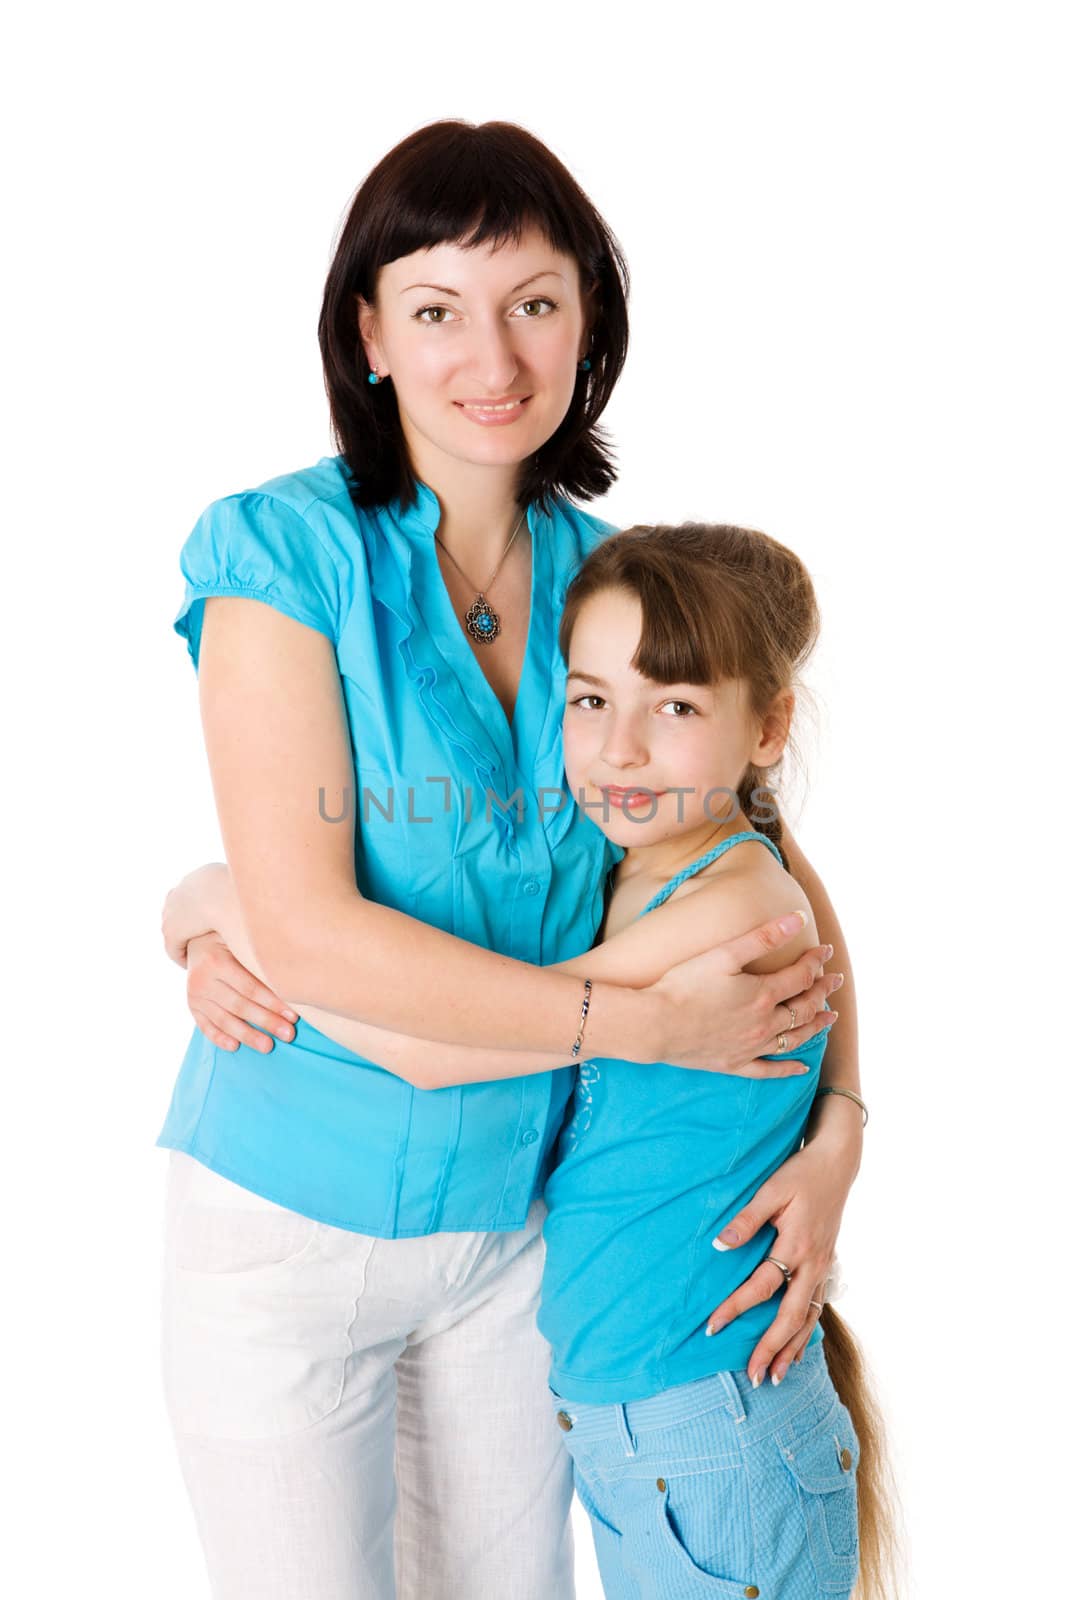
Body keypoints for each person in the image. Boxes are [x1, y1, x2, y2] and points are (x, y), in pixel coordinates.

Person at [158, 120, 863, 1598]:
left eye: (533, 302)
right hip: (292, 1233)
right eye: (435, 308)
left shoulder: (612, 583)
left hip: (514, 1239)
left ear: (587, 321)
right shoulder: (281, 556)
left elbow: (761, 851)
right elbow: (319, 937)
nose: (491, 355)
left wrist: (841, 1124)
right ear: (368, 332)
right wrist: (643, 1026)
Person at [170, 519, 892, 1599]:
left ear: (767, 726)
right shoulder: (644, 851)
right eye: (589, 699)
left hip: (706, 1418)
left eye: (677, 707)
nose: (620, 748)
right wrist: (199, 913)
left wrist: (224, 903)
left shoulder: (723, 907)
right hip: (633, 1420)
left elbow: (439, 1045)